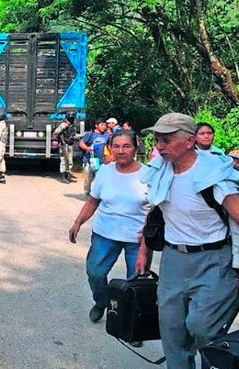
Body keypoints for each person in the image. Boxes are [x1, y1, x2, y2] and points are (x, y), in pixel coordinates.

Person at [136, 113, 239, 369]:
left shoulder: (212, 175)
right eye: (158, 140)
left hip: (213, 261)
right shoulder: (160, 172)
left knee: (202, 327)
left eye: (167, 140)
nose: (159, 146)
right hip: (173, 260)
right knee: (171, 331)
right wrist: (143, 251)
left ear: (189, 141)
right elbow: (155, 215)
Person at [68, 131, 151, 344]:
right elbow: (93, 201)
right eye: (117, 146)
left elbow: (157, 210)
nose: (121, 151)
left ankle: (132, 327)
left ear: (135, 148)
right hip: (105, 234)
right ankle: (102, 301)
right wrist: (78, 223)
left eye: (126, 146)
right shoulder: (105, 172)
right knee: (95, 272)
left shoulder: (150, 174)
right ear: (110, 148)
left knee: (136, 284)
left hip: (137, 239)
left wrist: (148, 238)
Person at [78, 119, 109, 195]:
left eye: (105, 125)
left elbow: (109, 146)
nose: (104, 127)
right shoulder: (90, 134)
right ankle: (87, 192)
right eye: (102, 125)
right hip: (89, 161)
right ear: (96, 125)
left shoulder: (106, 135)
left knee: (100, 179)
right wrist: (87, 148)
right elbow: (81, 143)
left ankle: (96, 195)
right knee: (88, 179)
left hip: (101, 162)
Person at [52, 111, 77, 184]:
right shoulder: (63, 124)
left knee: (70, 161)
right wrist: (63, 127)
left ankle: (68, 175)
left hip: (70, 144)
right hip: (64, 144)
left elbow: (73, 134)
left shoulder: (72, 125)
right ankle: (63, 176)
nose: (72, 119)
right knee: (64, 160)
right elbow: (56, 133)